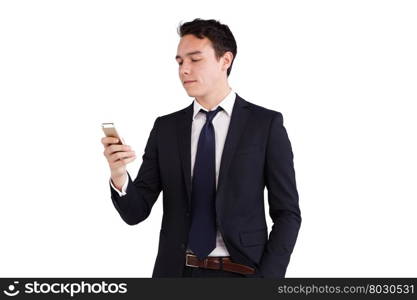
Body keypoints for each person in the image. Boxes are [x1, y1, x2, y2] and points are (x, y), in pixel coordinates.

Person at [101, 18, 301, 279]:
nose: (184, 69)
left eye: (195, 59)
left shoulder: (265, 125)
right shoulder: (166, 128)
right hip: (176, 273)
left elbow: (287, 213)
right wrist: (119, 175)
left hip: (242, 275)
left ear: (225, 60)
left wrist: (268, 280)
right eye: (180, 61)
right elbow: (135, 213)